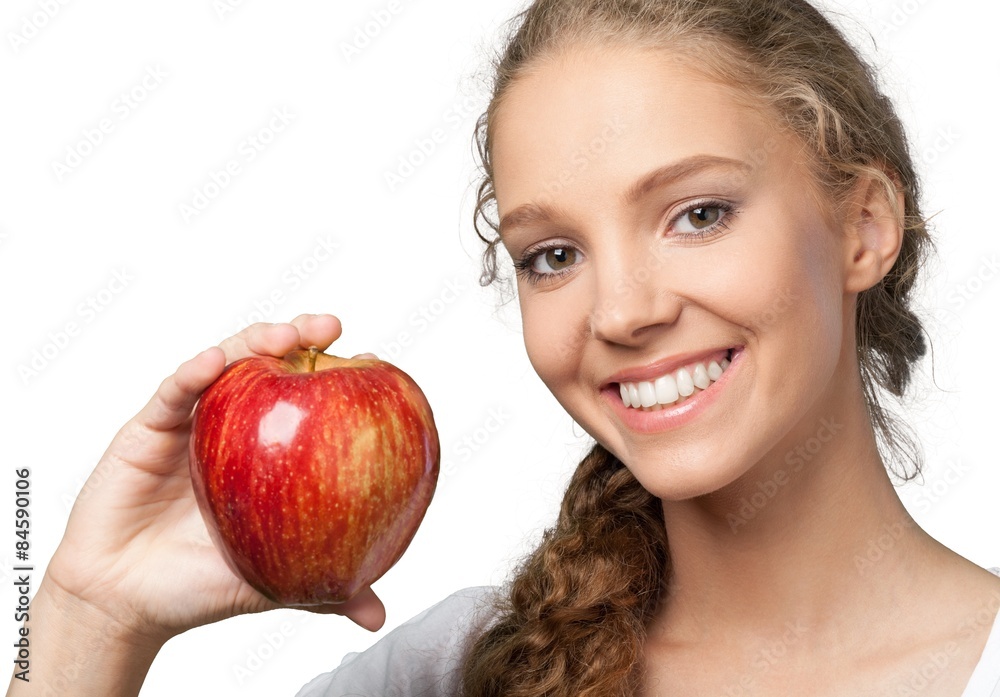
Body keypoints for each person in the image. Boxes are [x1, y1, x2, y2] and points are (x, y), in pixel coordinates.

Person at [9, 0, 1000, 694]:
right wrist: (87, 617)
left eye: (697, 213)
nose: (619, 310)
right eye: (553, 254)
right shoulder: (463, 671)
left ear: (863, 227)